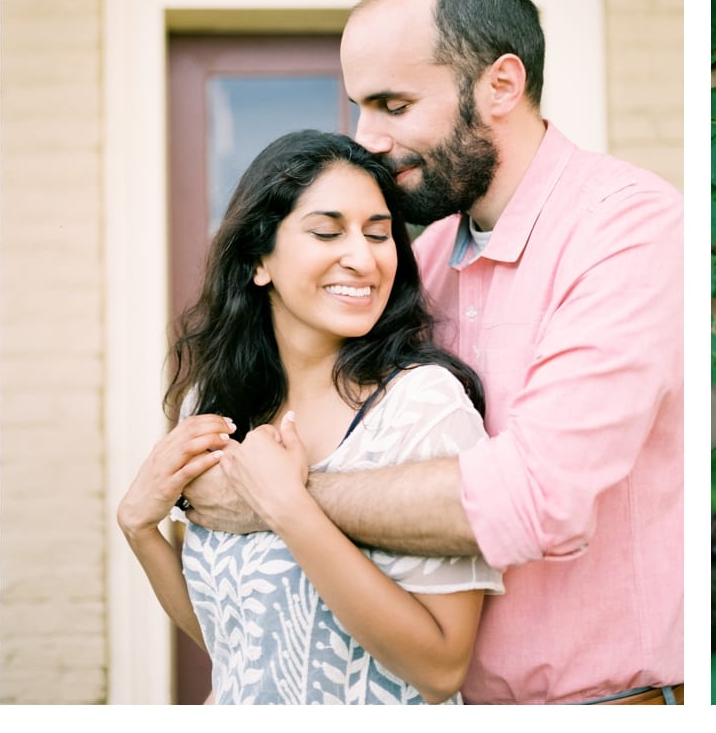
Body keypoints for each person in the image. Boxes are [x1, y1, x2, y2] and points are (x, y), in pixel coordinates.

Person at [185, 0, 684, 705]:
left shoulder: (629, 228)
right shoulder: (417, 259)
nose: (369, 139)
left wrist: (276, 500)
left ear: (500, 86)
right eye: (360, 106)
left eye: (392, 103)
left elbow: (531, 497)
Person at [117, 130, 503, 704]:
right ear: (257, 259)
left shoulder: (423, 407)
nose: (363, 257)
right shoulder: (216, 405)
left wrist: (287, 507)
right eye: (327, 231)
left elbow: (441, 667)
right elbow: (240, 646)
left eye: (379, 234)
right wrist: (141, 529)